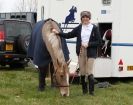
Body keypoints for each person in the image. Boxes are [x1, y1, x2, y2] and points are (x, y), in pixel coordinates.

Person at [52, 11, 102, 95]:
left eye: (87, 17)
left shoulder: (94, 28)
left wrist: (88, 44)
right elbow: (69, 34)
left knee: (89, 71)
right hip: (81, 51)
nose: (85, 18)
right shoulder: (79, 27)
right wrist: (58, 33)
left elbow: (100, 42)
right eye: (83, 17)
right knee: (82, 72)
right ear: (81, 18)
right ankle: (84, 91)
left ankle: (91, 92)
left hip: (91, 52)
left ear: (89, 18)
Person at [27, 19, 70, 91]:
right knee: (42, 65)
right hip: (42, 43)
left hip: (56, 47)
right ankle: (41, 84)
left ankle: (55, 82)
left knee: (56, 62)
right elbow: (40, 60)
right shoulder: (40, 40)